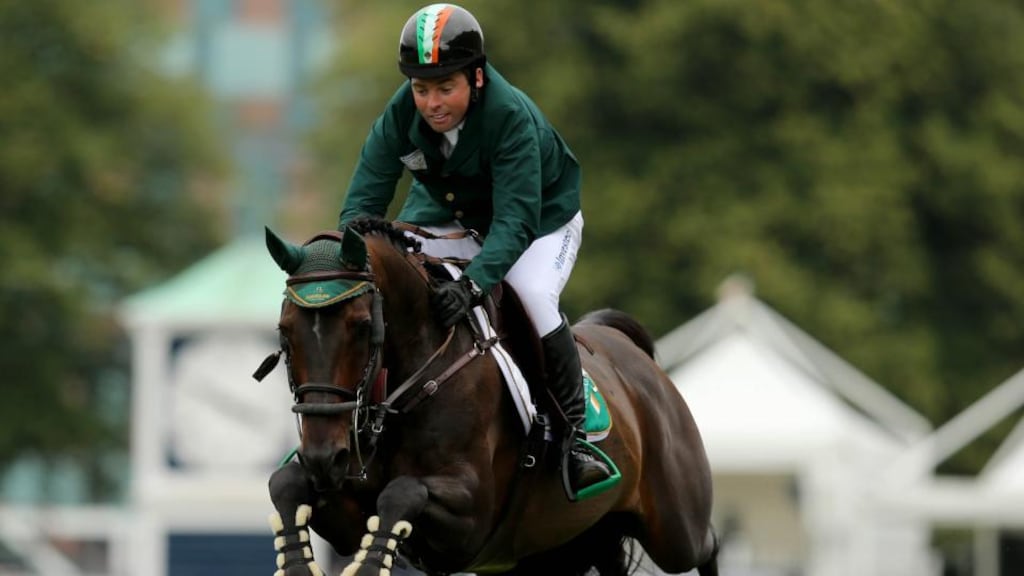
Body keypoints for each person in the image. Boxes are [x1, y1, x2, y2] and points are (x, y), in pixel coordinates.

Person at [338, 3, 609, 498]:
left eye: (446, 87)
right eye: (422, 89)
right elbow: (362, 202)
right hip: (455, 215)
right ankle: (355, 417)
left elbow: (516, 221)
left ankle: (577, 438)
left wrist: (471, 286)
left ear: (476, 78)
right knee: (396, 269)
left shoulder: (508, 116)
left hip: (541, 220)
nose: (432, 103)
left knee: (529, 293)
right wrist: (349, 259)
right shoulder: (402, 111)